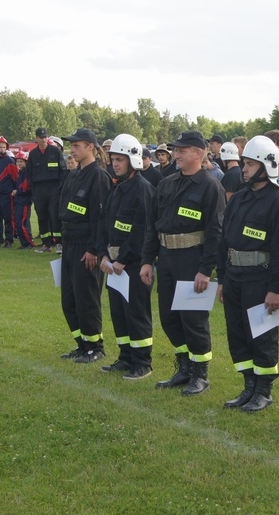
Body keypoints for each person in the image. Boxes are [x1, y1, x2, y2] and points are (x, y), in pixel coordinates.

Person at [141, 131, 225, 396]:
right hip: (166, 258)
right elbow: (152, 226)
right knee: (169, 317)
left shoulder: (210, 187)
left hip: (192, 260)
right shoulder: (166, 184)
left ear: (198, 153)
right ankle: (184, 367)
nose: (175, 154)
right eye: (175, 150)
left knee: (193, 319)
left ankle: (200, 374)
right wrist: (147, 261)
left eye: (181, 150)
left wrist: (205, 270)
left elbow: (215, 233)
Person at [216, 135, 279, 411]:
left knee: (262, 335)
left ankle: (264, 390)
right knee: (237, 333)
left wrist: (276, 288)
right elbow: (224, 239)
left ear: (266, 165)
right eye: (244, 163)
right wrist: (222, 278)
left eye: (249, 164)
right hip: (234, 275)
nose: (244, 169)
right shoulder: (239, 198)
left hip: (261, 277)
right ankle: (249, 385)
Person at [97, 134, 155, 380]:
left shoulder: (143, 190)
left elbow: (142, 231)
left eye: (119, 160)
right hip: (113, 264)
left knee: (136, 313)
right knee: (119, 313)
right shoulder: (117, 188)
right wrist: (103, 254)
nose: (115, 164)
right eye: (113, 159)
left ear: (133, 160)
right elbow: (104, 224)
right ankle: (126, 356)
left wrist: (123, 259)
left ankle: (142, 362)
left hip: (132, 265)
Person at [58, 128, 111, 364]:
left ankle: (95, 347)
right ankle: (82, 344)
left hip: (85, 246)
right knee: (69, 300)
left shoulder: (98, 176)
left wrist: (93, 249)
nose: (73, 149)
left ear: (91, 147)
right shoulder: (74, 174)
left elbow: (100, 218)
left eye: (77, 145)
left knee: (86, 298)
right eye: (71, 145)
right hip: (69, 243)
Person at [27, 127, 66, 253]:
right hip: (39, 190)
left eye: (45, 137)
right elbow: (29, 173)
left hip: (54, 189)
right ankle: (46, 243)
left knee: (55, 216)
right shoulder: (33, 154)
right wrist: (34, 189)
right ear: (36, 138)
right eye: (41, 137)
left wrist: (60, 188)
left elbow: (63, 170)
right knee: (42, 216)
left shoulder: (55, 151)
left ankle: (59, 243)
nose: (43, 140)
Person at [12, 151, 36, 249]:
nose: (19, 163)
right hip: (20, 200)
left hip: (24, 201)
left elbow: (25, 188)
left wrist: (17, 192)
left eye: (21, 161)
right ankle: (24, 243)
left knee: (21, 223)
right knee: (20, 222)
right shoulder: (21, 172)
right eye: (18, 161)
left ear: (26, 162)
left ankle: (28, 243)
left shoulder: (27, 173)